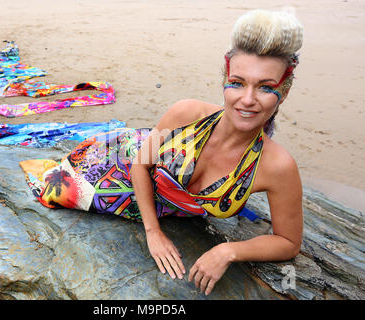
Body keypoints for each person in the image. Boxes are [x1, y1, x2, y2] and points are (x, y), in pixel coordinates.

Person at [19, 9, 304, 296]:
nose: (247, 99)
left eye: (265, 87)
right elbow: (141, 165)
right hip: (117, 161)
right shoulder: (187, 113)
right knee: (57, 190)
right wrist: (153, 233)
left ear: (285, 91)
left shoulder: (277, 166)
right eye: (237, 83)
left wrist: (228, 251)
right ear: (224, 81)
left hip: (165, 203)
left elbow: (288, 241)